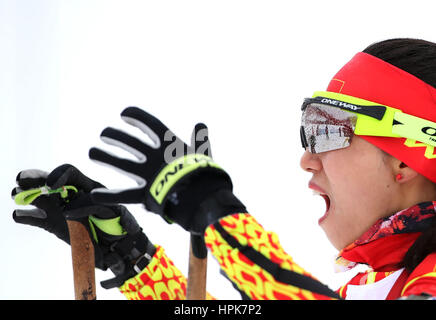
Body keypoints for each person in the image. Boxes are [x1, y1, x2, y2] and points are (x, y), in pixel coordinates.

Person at [12, 38, 436, 300]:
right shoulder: (384, 281)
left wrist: (215, 214)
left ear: (406, 156)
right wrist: (134, 260)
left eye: (326, 131)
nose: (307, 159)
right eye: (307, 133)